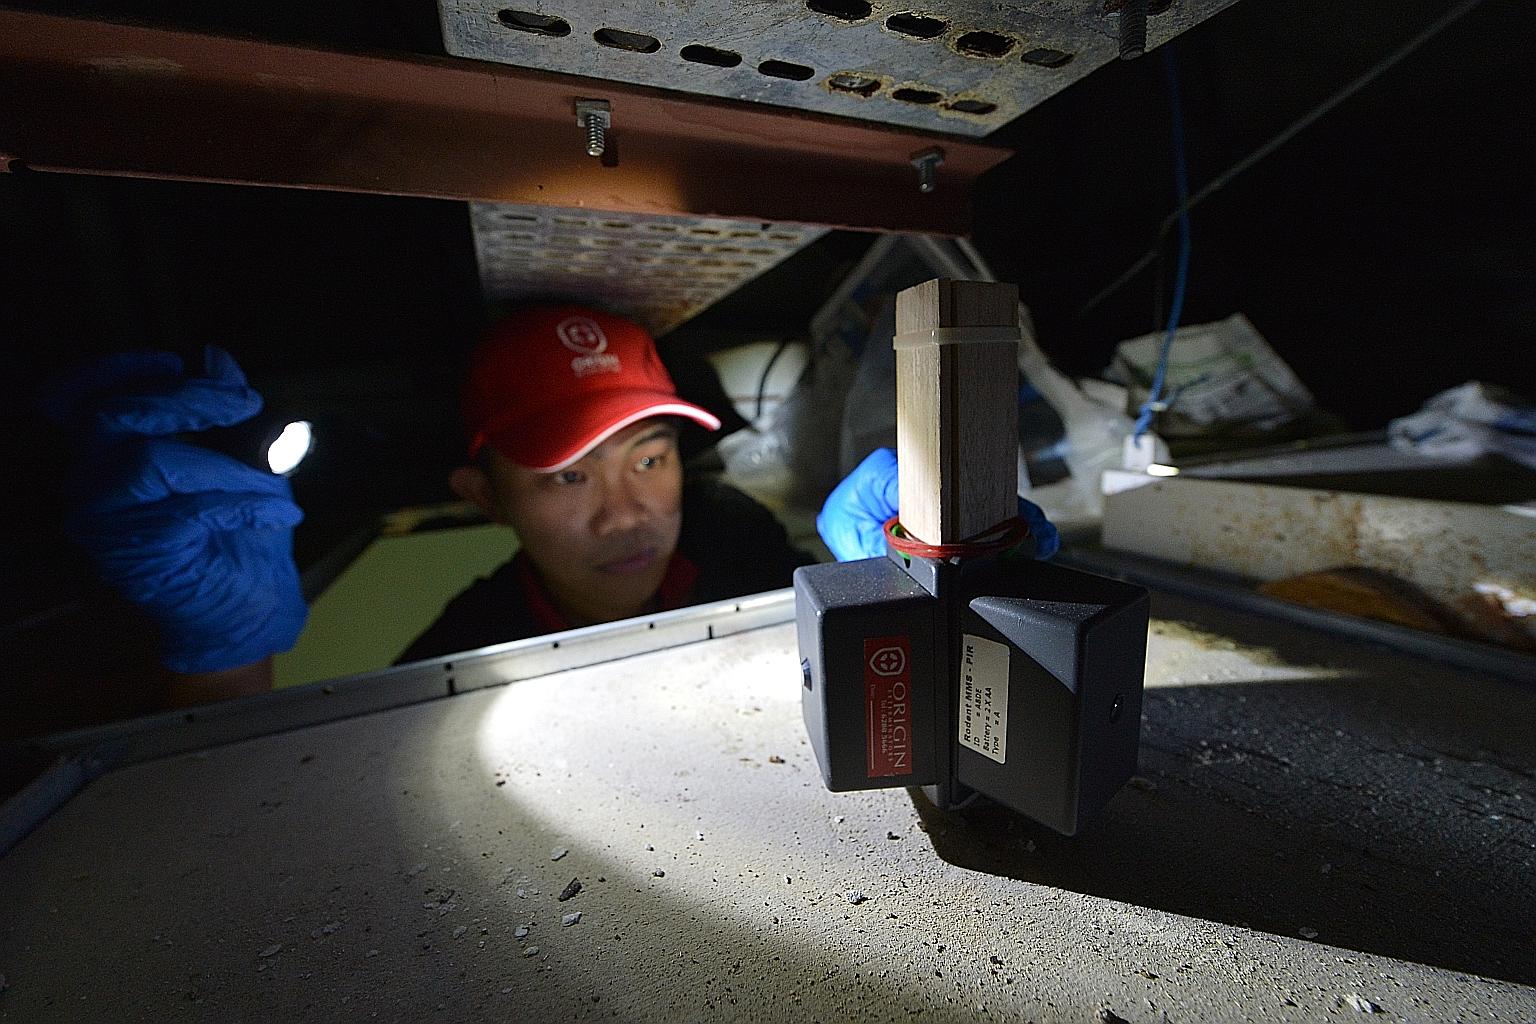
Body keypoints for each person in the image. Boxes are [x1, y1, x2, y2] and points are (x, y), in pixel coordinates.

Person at [46, 303, 1057, 706]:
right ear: (482, 498)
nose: (628, 515)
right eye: (567, 475)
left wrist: (946, 570)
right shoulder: (459, 660)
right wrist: (222, 664)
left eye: (648, 457)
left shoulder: (740, 540)